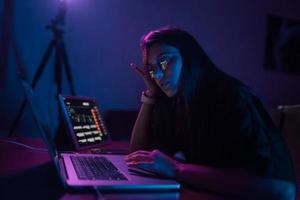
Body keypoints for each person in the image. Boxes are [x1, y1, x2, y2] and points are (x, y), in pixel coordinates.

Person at [125, 27, 296, 199]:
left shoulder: (232, 97)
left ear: (189, 58)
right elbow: (137, 158)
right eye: (152, 69)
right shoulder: (176, 101)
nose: (158, 75)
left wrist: (178, 169)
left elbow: (283, 190)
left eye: (164, 62)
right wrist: (151, 95)